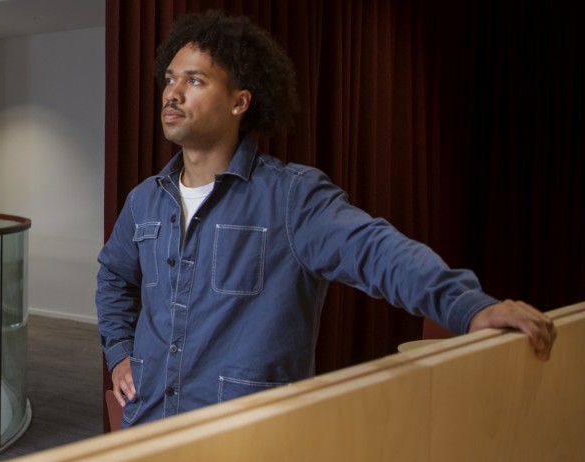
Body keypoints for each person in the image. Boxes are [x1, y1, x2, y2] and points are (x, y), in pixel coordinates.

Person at [96, 11, 556, 428]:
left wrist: (467, 305)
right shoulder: (144, 201)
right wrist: (119, 355)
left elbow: (376, 251)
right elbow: (114, 277)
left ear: (240, 103)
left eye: (194, 81)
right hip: (149, 428)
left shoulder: (292, 197)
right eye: (170, 78)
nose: (172, 92)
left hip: (248, 443)